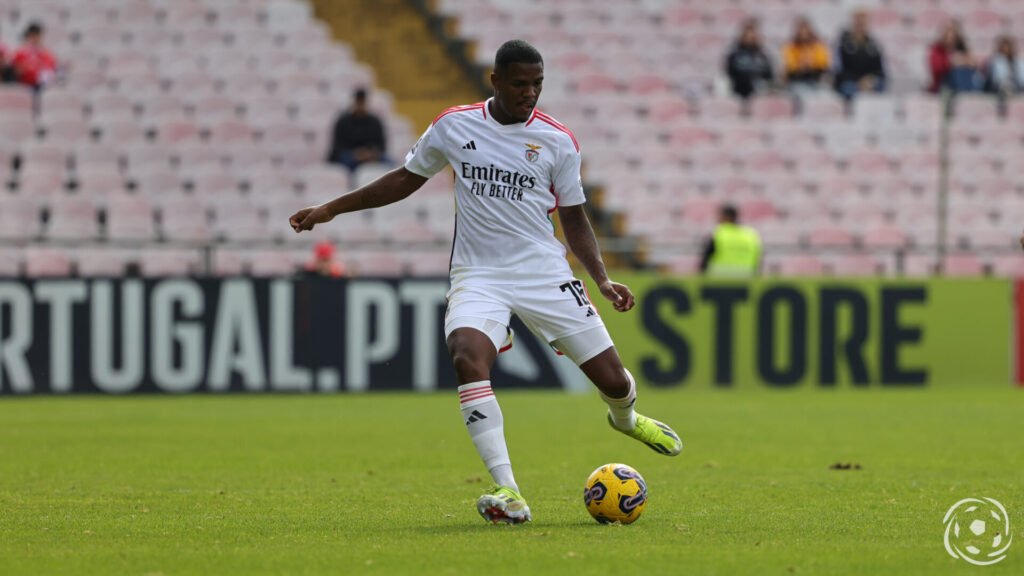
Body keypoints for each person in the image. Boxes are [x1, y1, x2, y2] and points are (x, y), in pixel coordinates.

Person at [290, 39, 682, 525]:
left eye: (538, 84)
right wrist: (332, 208)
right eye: (520, 84)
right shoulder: (455, 125)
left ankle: (625, 420)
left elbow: (575, 218)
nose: (530, 93)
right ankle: (507, 490)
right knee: (466, 357)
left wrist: (600, 279)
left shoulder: (558, 140)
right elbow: (403, 179)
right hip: (479, 274)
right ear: (495, 81)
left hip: (543, 272)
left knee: (615, 382)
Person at [327, 88, 387, 172]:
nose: (360, 105)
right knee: (346, 159)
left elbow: (381, 145)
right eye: (358, 102)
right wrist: (356, 153)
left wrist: (371, 153)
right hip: (349, 156)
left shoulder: (375, 121)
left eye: (362, 102)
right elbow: (338, 147)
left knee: (388, 162)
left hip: (371, 155)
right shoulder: (343, 121)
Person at [834, 9, 886, 99]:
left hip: (869, 82)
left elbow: (880, 70)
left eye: (863, 20)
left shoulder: (873, 45)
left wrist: (870, 79)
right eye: (858, 19)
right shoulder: (842, 43)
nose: (861, 23)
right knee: (848, 88)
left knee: (881, 85)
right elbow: (839, 70)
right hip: (850, 82)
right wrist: (858, 81)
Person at [699, 204, 762, 277]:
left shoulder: (719, 233)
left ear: (727, 217)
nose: (718, 219)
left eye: (720, 216)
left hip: (720, 279)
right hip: (746, 279)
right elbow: (757, 260)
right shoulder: (751, 235)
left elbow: (705, 260)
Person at [725, 20, 773, 99]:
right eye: (748, 36)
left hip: (760, 94)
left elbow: (769, 76)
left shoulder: (763, 56)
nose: (750, 38)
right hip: (739, 93)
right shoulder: (734, 55)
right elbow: (730, 75)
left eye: (753, 36)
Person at [929, 21, 980, 93]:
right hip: (944, 83)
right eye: (948, 36)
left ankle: (970, 93)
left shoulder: (961, 48)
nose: (950, 39)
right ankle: (965, 93)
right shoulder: (937, 50)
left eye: (953, 37)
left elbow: (975, 63)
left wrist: (966, 61)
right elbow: (937, 68)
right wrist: (951, 62)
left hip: (963, 81)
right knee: (957, 71)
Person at [782, 18, 830, 90]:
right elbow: (789, 68)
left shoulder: (818, 47)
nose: (804, 33)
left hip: (815, 80)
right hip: (797, 81)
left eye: (806, 30)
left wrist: (812, 65)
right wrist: (800, 66)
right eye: (801, 30)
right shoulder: (790, 48)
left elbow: (823, 66)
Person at [10, 22, 57, 89]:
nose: (35, 38)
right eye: (33, 35)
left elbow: (51, 70)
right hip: (23, 86)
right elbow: (15, 71)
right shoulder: (20, 52)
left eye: (37, 35)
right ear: (28, 36)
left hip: (42, 87)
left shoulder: (47, 53)